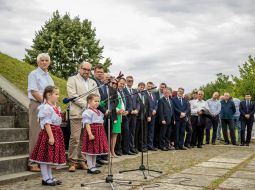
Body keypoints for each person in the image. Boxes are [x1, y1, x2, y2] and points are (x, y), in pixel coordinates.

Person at [30, 86, 66, 186]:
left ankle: (50, 176)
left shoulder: (55, 107)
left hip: (56, 132)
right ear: (49, 95)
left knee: (49, 157)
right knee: (45, 157)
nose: (58, 96)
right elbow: (46, 123)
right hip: (49, 133)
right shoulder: (46, 107)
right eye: (56, 94)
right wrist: (51, 136)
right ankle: (45, 178)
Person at [67, 61, 99, 172]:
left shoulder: (93, 82)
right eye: (84, 69)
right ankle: (72, 162)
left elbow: (97, 96)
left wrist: (93, 106)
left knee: (84, 139)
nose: (86, 71)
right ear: (79, 68)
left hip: (90, 115)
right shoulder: (72, 79)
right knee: (75, 138)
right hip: (77, 113)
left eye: (88, 70)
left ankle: (81, 161)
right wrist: (87, 105)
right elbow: (72, 95)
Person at [27, 53, 54, 172]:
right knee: (36, 133)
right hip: (37, 106)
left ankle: (43, 161)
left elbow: (52, 93)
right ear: (38, 62)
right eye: (42, 60)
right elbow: (34, 92)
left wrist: (52, 105)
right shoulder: (34, 74)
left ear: (49, 62)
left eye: (46, 60)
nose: (44, 62)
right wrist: (46, 103)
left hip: (47, 107)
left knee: (46, 134)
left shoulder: (49, 76)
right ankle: (32, 162)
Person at [81, 94, 108, 174]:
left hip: (99, 132)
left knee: (95, 150)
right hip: (92, 132)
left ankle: (93, 166)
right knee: (90, 150)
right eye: (95, 101)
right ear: (89, 102)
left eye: (98, 101)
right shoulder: (88, 112)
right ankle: (90, 167)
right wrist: (90, 134)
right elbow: (87, 124)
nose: (97, 103)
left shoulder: (99, 111)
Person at [124, 76, 140, 154]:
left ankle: (132, 147)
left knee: (132, 132)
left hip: (134, 115)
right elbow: (125, 102)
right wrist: (130, 111)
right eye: (128, 81)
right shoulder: (123, 90)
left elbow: (138, 102)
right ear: (126, 82)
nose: (130, 82)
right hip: (127, 114)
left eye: (131, 81)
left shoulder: (135, 91)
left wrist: (137, 109)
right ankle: (126, 149)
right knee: (127, 132)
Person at [135, 82, 151, 152]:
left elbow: (148, 106)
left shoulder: (145, 95)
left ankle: (142, 147)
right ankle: (136, 147)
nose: (141, 88)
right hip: (137, 116)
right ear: (138, 87)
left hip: (144, 116)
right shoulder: (135, 94)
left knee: (143, 132)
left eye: (143, 87)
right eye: (140, 87)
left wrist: (149, 115)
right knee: (137, 132)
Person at [110, 78, 123, 157]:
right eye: (113, 83)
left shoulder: (118, 92)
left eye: (116, 83)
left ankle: (113, 151)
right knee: (111, 133)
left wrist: (123, 110)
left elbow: (121, 103)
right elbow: (111, 103)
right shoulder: (110, 91)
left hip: (119, 115)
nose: (114, 85)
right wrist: (117, 110)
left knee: (115, 134)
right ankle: (109, 151)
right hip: (113, 114)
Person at [154, 83, 167, 148]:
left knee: (161, 131)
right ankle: (155, 144)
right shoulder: (155, 94)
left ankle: (160, 144)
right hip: (156, 115)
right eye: (161, 87)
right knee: (156, 130)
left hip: (163, 116)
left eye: (163, 87)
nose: (162, 88)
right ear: (159, 87)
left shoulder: (166, 95)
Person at [146, 82, 158, 151]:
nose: (149, 87)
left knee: (151, 131)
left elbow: (156, 104)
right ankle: (146, 145)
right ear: (146, 86)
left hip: (153, 115)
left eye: (151, 86)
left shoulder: (154, 94)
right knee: (146, 131)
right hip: (147, 115)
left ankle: (150, 145)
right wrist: (150, 113)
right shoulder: (144, 94)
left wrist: (155, 110)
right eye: (148, 86)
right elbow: (147, 105)